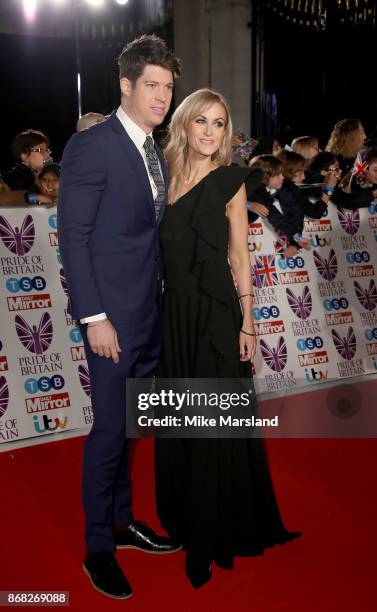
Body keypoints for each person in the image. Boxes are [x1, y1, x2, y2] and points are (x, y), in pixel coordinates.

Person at [155, 89, 301, 589]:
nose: (210, 132)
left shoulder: (231, 183)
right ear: (185, 124)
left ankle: (209, 538)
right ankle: (183, 518)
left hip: (217, 313)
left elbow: (240, 257)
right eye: (201, 121)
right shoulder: (164, 176)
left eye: (219, 124)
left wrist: (249, 324)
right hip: (174, 313)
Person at [58, 34, 182, 600]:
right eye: (152, 86)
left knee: (134, 427)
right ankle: (97, 547)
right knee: (110, 430)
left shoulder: (151, 148)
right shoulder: (95, 145)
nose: (162, 96)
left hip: (147, 312)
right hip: (111, 319)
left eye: (168, 87)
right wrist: (95, 317)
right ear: (127, 86)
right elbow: (75, 239)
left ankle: (123, 521)